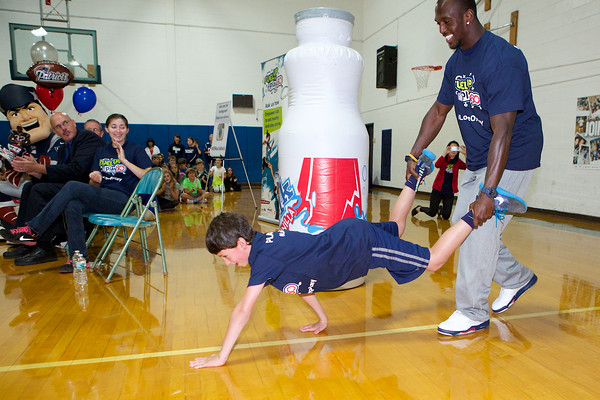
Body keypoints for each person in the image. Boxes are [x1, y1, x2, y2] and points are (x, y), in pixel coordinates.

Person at [189, 154, 528, 369]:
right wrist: (322, 319)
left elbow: (242, 311)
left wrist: (221, 357)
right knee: (395, 228)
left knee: (435, 261)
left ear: (239, 243)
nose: (228, 262)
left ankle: (482, 207)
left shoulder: (263, 257)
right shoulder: (269, 249)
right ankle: (417, 174)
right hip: (349, 236)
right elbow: (301, 282)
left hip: (358, 247)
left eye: (225, 256)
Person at [405, 0, 543, 336]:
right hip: (482, 154)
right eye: (438, 23)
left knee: (477, 227)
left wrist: (487, 192)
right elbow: (439, 112)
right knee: (461, 224)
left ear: (469, 16)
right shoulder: (455, 65)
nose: (442, 30)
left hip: (514, 154)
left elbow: (504, 131)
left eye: (447, 21)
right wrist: (414, 153)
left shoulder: (503, 60)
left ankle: (472, 311)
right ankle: (516, 278)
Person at [0, 113, 153, 273]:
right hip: (103, 196)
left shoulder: (135, 150)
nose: (118, 131)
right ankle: (78, 259)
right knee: (73, 204)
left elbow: (150, 176)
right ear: (107, 129)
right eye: (113, 127)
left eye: (122, 127)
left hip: (125, 200)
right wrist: (96, 178)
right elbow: (93, 182)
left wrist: (124, 161)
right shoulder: (101, 151)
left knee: (72, 186)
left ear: (127, 130)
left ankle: (33, 229)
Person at [6, 112, 105, 266]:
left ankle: (44, 247)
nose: (63, 128)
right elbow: (60, 175)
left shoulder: (87, 138)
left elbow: (78, 170)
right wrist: (35, 172)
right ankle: (24, 241)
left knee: (38, 191)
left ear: (73, 123)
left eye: (65, 123)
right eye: (58, 127)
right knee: (30, 186)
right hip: (71, 185)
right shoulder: (63, 148)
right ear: (54, 132)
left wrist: (38, 167)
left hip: (86, 188)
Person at [412, 141, 466, 220]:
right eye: (451, 148)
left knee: (446, 216)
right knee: (432, 213)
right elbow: (437, 165)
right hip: (438, 189)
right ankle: (420, 208)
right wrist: (444, 153)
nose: (453, 151)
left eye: (456, 149)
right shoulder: (444, 159)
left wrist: (465, 154)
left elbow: (467, 167)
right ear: (448, 149)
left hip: (449, 191)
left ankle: (440, 210)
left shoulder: (458, 162)